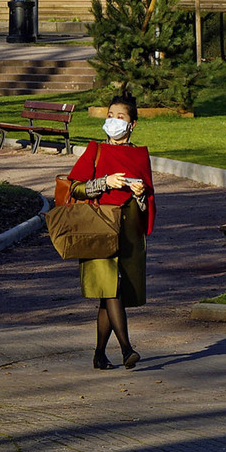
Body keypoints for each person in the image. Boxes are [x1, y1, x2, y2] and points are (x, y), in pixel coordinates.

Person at [67, 90, 155, 369]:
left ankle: (99, 355)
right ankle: (127, 349)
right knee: (112, 288)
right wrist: (105, 183)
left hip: (128, 232)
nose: (113, 121)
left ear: (132, 124)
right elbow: (75, 188)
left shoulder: (141, 156)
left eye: (120, 117)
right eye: (109, 116)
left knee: (110, 294)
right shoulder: (96, 150)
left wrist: (140, 193)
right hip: (99, 228)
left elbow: (148, 204)